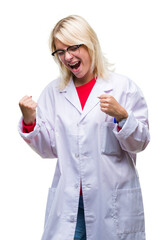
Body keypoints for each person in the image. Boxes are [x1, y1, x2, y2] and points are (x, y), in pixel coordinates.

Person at [18, 15, 150, 240]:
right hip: (69, 204)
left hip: (111, 203)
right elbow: (50, 149)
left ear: (90, 44)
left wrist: (123, 117)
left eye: (72, 47)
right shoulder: (53, 92)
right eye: (60, 52)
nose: (67, 57)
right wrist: (30, 121)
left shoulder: (122, 87)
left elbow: (140, 143)